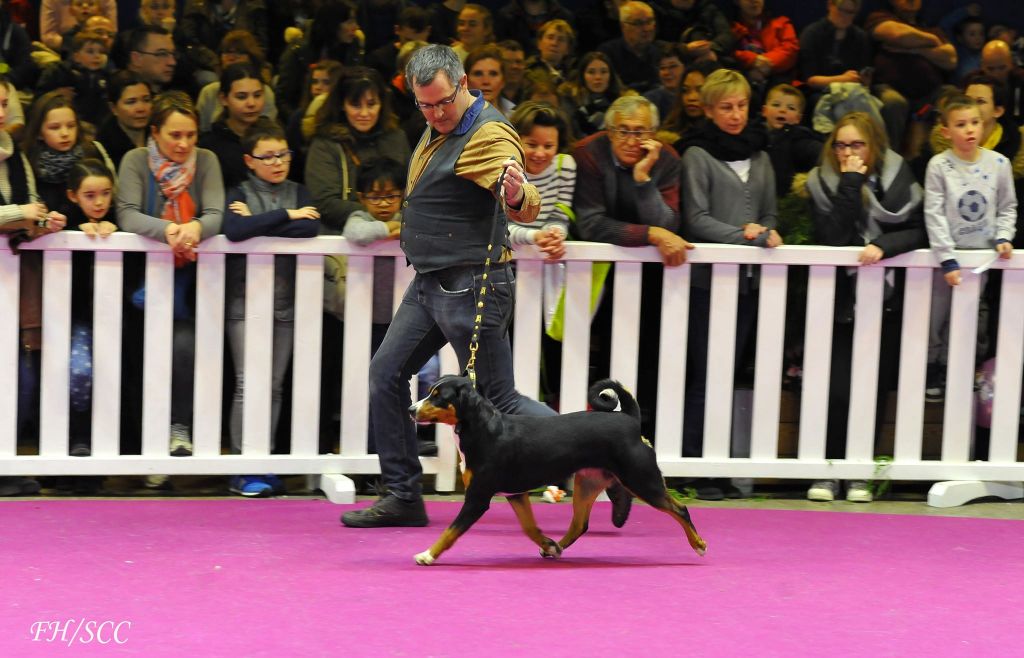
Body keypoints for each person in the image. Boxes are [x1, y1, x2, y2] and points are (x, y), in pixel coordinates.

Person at [340, 44, 580, 529]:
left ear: (464, 82)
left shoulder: (487, 135)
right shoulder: (440, 120)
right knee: (385, 375)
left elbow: (523, 198)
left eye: (443, 102)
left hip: (473, 284)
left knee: (501, 402)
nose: (435, 113)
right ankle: (404, 496)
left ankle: (600, 448)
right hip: (431, 281)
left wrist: (517, 194)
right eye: (424, 105)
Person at [805, 111, 928, 503]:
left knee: (872, 390)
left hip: (887, 302)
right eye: (840, 145)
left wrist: (885, 247)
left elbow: (920, 228)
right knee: (837, 389)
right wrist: (851, 182)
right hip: (840, 302)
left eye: (856, 145)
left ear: (874, 145)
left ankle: (859, 472)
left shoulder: (900, 177)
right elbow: (832, 235)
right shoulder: (823, 180)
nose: (847, 152)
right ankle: (828, 471)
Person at [680, 68, 782, 500]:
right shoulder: (697, 156)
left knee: (729, 372)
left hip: (747, 283)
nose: (736, 114)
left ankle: (718, 463)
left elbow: (772, 213)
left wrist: (770, 233)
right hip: (706, 282)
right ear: (708, 109)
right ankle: (696, 463)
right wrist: (747, 234)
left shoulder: (761, 156)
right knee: (705, 372)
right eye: (726, 107)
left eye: (741, 105)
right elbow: (696, 220)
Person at [573, 94, 689, 447]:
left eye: (641, 132)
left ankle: (643, 441)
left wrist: (642, 179)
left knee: (650, 356)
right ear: (609, 131)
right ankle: (587, 439)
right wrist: (650, 234)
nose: (632, 140)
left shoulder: (666, 159)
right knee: (589, 357)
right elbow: (591, 224)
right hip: (589, 276)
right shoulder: (587, 154)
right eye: (623, 131)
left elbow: (670, 221)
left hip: (652, 279)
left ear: (655, 133)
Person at [116, 91, 225, 458]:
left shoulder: (207, 160)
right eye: (174, 136)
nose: (183, 144)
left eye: (190, 136)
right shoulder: (134, 160)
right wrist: (168, 230)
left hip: (190, 284)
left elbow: (215, 213)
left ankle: (179, 428)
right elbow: (127, 214)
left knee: (183, 351)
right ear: (155, 132)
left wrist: (194, 228)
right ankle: (141, 444)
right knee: (138, 357)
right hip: (137, 284)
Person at [223, 118, 319, 497]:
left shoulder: (300, 190)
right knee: (247, 383)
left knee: (275, 386)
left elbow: (310, 229)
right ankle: (242, 465)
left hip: (287, 303)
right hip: (243, 300)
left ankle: (265, 459)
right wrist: (287, 217)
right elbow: (234, 230)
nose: (278, 162)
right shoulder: (240, 191)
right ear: (249, 160)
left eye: (283, 154)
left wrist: (263, 222)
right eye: (268, 156)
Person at [923, 94, 1016, 403]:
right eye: (961, 124)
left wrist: (1003, 236)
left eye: (975, 122)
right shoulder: (939, 165)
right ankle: (932, 367)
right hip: (945, 257)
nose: (969, 130)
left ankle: (958, 369)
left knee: (970, 317)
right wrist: (947, 257)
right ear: (946, 131)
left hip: (980, 259)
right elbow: (933, 213)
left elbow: (1007, 207)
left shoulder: (999, 164)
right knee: (937, 316)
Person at [0, 78, 67, 498]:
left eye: (5, 102)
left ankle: (6, 462)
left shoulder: (15, 157)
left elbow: (26, 222)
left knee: (20, 378)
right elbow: (17, 213)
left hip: (12, 286)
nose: (2, 111)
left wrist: (45, 223)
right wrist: (19, 212)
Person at [305, 65, 410, 234]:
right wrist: (378, 219)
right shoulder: (325, 143)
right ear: (341, 105)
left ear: (382, 104)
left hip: (397, 236)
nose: (364, 113)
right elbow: (324, 203)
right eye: (355, 104)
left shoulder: (397, 138)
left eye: (371, 104)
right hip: (342, 241)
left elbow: (413, 191)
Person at [198, 62, 269, 189]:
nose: (251, 103)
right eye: (241, 97)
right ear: (223, 99)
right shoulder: (209, 146)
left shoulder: (274, 136)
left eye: (257, 95)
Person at [194, 30, 278, 133]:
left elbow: (269, 130)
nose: (231, 58)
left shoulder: (266, 92)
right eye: (227, 52)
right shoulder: (209, 92)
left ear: (251, 57)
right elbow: (202, 132)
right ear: (223, 98)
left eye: (239, 53)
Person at [762, 83, 823, 197]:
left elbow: (820, 152)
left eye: (791, 108)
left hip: (785, 199)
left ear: (798, 118)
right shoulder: (754, 135)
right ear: (764, 111)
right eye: (776, 105)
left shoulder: (799, 139)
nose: (783, 110)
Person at [598, 1, 662, 95]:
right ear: (623, 26)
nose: (646, 29)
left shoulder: (660, 51)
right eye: (638, 23)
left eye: (649, 21)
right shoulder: (607, 53)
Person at [97, 72, 154, 171]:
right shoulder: (103, 148)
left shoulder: (161, 135)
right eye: (131, 102)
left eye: (146, 100)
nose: (141, 108)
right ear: (113, 108)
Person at [465, 45, 513, 116]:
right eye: (478, 74)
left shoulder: (517, 118)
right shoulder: (452, 121)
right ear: (466, 80)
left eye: (493, 74)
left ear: (503, 80)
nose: (486, 81)